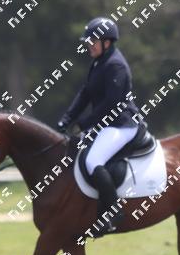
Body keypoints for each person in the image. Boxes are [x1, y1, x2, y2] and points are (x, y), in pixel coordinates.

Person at [57, 17, 141, 236]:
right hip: (107, 124)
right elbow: (85, 93)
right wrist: (67, 118)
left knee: (93, 161)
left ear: (107, 42)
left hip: (122, 125)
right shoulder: (98, 63)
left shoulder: (116, 65)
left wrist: (83, 123)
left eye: (92, 41)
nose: (89, 45)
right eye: (88, 42)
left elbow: (111, 104)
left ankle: (113, 212)